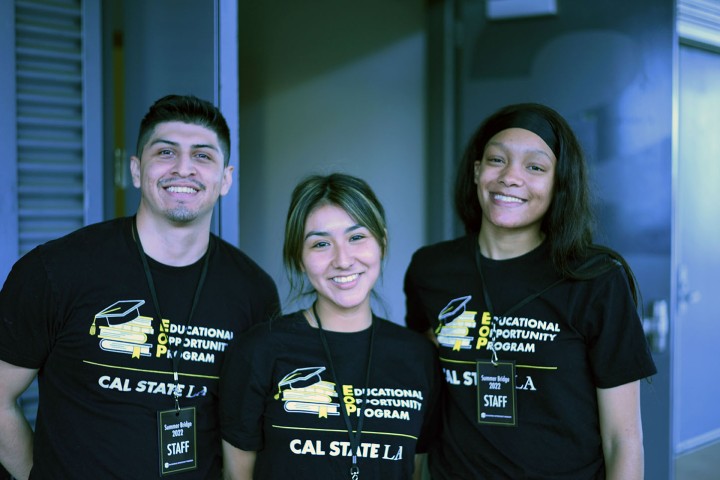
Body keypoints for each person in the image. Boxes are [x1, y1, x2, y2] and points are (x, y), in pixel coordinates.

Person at [0, 94, 279, 479]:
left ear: (225, 178)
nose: (184, 168)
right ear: (136, 170)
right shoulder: (56, 270)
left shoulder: (254, 292)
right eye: (165, 152)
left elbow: (246, 429)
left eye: (202, 156)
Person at [404, 103, 657, 479]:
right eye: (496, 160)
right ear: (477, 172)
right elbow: (422, 395)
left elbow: (623, 439)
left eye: (535, 167)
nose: (510, 177)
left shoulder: (596, 280)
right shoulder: (431, 269)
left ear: (559, 183)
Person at [220, 173, 441, 479]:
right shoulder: (259, 350)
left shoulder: (419, 358)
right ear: (299, 258)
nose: (343, 260)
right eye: (321, 244)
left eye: (356, 237)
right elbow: (237, 475)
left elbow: (413, 472)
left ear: (383, 244)